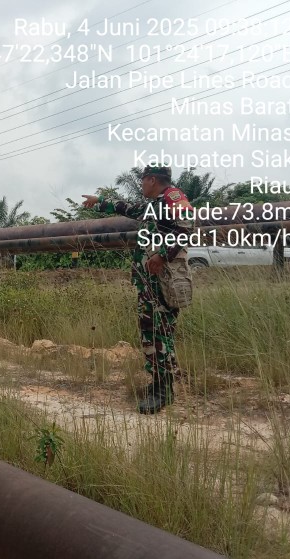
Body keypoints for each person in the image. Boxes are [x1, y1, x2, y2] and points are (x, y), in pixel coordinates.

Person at [82, 165, 194, 413]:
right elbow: (128, 208)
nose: (141, 185)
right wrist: (100, 201)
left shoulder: (172, 197)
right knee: (152, 331)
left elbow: (186, 227)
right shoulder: (155, 204)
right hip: (149, 282)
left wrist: (162, 256)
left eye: (143, 180)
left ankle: (162, 391)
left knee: (157, 333)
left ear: (152, 180)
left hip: (162, 281)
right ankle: (161, 383)